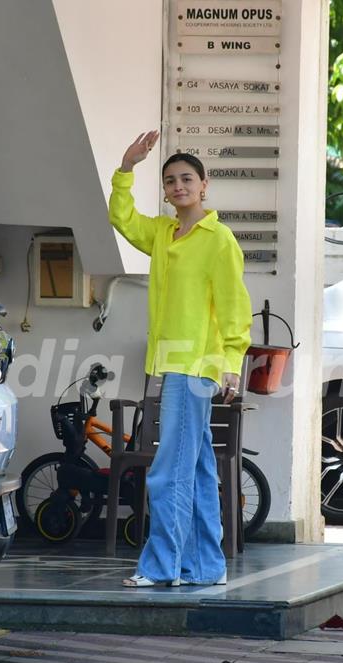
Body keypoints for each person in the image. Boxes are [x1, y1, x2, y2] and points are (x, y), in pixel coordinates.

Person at [108, 130, 252, 587]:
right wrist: (127, 168)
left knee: (169, 467)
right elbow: (123, 218)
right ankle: (206, 567)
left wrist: (231, 363)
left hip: (194, 370)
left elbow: (234, 307)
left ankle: (160, 565)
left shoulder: (219, 239)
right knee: (199, 468)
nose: (178, 187)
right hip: (168, 363)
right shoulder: (165, 233)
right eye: (170, 181)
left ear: (204, 184)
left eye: (187, 179)